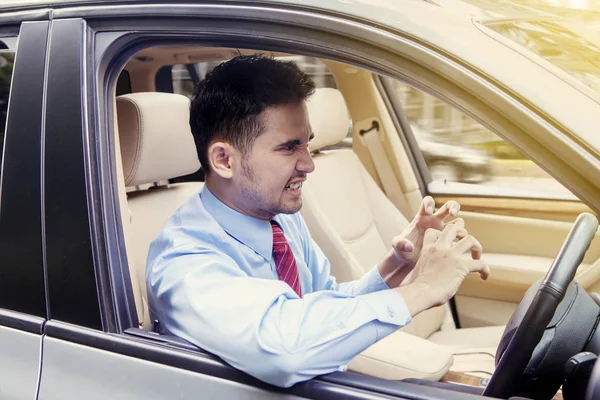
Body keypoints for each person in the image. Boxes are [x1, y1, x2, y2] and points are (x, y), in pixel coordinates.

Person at [146, 55, 490, 388]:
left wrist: (397, 266)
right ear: (223, 160)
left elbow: (325, 305)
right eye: (288, 148)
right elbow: (284, 350)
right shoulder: (184, 261)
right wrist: (424, 289)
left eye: (306, 145)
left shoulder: (278, 219)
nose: (309, 165)